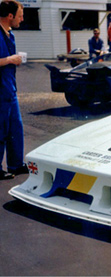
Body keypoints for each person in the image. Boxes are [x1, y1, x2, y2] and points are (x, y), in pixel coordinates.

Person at [0, 0, 28, 180]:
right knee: (0, 131)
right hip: (1, 92)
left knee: (15, 129)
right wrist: (10, 59)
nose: (22, 19)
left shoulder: (10, 35)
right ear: (10, 16)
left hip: (10, 90)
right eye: (20, 16)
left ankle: (16, 164)